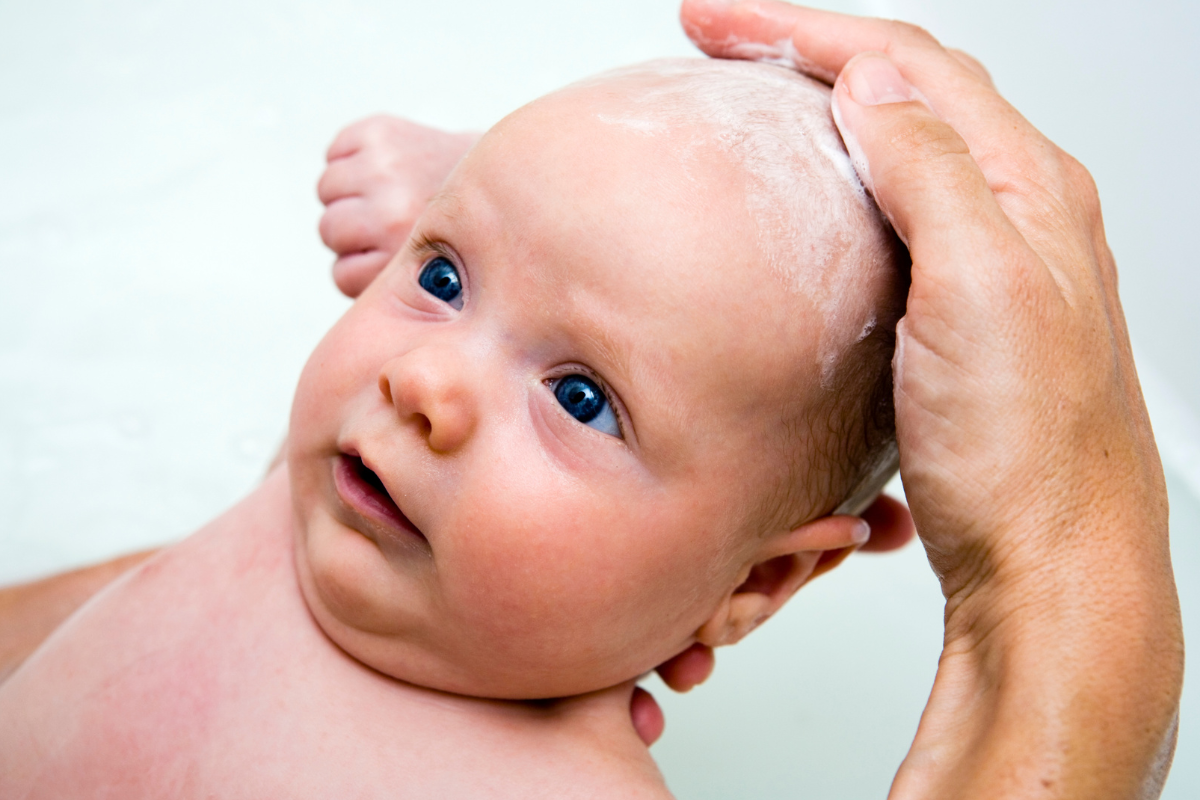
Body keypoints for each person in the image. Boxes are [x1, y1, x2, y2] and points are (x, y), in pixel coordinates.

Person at [0, 1, 1183, 796]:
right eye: (444, 272)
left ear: (755, 581)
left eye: (578, 396)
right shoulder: (346, 491)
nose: (424, 382)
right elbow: (616, 241)